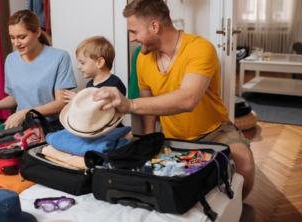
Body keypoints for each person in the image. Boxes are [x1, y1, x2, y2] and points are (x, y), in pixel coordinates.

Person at [92, 0, 255, 200]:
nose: (132, 38)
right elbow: (148, 106)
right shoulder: (143, 57)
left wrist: (130, 104)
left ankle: (239, 211)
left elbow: (188, 99)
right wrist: (149, 142)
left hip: (215, 132)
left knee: (245, 168)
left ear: (154, 26)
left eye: (134, 31)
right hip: (173, 138)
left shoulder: (200, 48)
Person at [0, 10, 77, 129]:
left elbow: (61, 103)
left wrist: (24, 113)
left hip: (53, 128)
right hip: (25, 127)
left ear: (37, 32)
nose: (16, 43)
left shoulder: (60, 57)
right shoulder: (11, 59)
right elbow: (16, 97)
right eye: (12, 37)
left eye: (21, 37)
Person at [62, 36, 126, 104]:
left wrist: (80, 101)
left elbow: (105, 110)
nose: (78, 67)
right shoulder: (89, 84)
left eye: (82, 63)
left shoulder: (115, 84)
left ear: (100, 62)